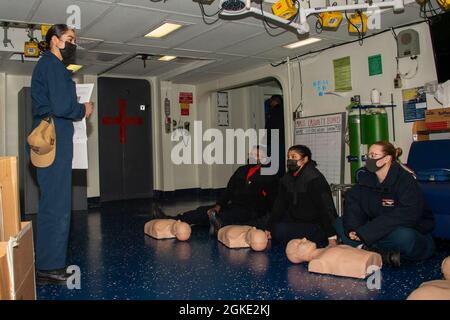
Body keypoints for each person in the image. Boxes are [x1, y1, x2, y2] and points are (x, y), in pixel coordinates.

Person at [31, 24, 94, 284]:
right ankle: (49, 267)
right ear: (55, 40)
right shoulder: (53, 66)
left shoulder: (48, 66)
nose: (73, 44)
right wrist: (83, 109)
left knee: (52, 203)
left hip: (53, 139)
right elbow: (61, 105)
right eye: (69, 39)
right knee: (57, 206)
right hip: (55, 140)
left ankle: (48, 263)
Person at [336, 141, 435, 266]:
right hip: (377, 229)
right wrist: (353, 229)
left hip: (406, 230)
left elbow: (406, 215)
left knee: (404, 237)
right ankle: (381, 255)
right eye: (368, 156)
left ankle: (365, 250)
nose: (368, 159)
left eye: (373, 155)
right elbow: (353, 205)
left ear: (387, 159)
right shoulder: (366, 179)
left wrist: (367, 233)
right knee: (340, 223)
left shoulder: (405, 180)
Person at [157, 146, 279, 235]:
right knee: (205, 211)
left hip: (252, 210)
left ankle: (217, 225)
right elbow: (229, 191)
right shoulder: (241, 170)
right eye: (252, 154)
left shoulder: (269, 175)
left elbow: (274, 200)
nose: (253, 157)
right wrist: (219, 205)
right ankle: (171, 219)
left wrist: (269, 221)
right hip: (234, 205)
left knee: (227, 216)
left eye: (257, 155)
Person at [263, 145, 338, 246]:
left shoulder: (314, 178)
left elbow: (324, 207)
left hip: (316, 224)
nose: (290, 160)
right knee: (267, 223)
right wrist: (269, 227)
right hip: (297, 220)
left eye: (294, 157)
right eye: (288, 157)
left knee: (279, 231)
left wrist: (331, 237)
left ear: (305, 159)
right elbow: (279, 204)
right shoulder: (288, 178)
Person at [285, 238, 382, 279]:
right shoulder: (316, 263)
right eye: (298, 243)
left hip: (370, 257)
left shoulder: (325, 250)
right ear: (297, 256)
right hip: (363, 265)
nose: (304, 239)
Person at [265, 95, 285, 177]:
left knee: (274, 165)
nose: (270, 103)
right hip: (281, 140)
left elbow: (269, 127)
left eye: (271, 101)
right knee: (280, 164)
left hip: (273, 141)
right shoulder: (284, 110)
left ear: (274, 101)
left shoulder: (273, 112)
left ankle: (275, 182)